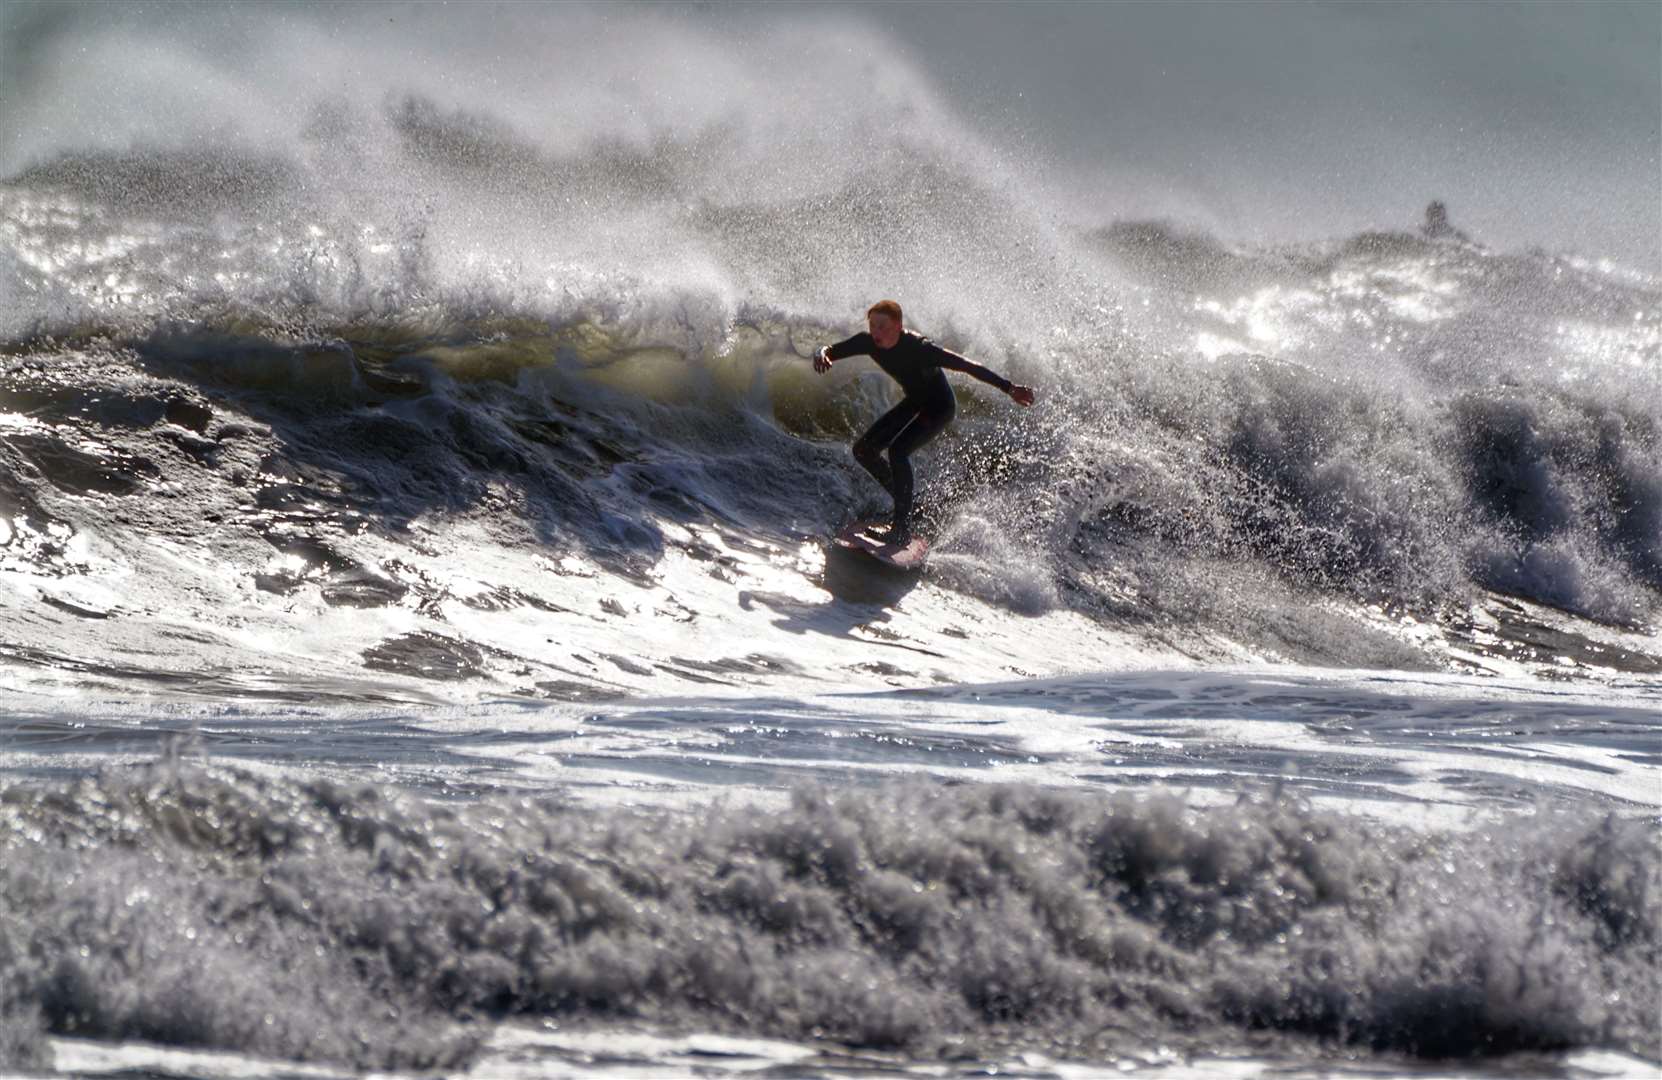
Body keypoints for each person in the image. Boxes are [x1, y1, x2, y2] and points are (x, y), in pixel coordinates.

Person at [815, 300, 1035, 546]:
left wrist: (1009, 388)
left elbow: (967, 366)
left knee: (898, 451)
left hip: (939, 407)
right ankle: (909, 506)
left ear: (898, 326)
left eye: (883, 326)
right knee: (863, 450)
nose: (877, 332)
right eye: (873, 325)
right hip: (915, 401)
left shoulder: (921, 349)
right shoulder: (868, 342)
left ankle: (901, 528)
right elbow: (830, 349)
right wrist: (821, 354)